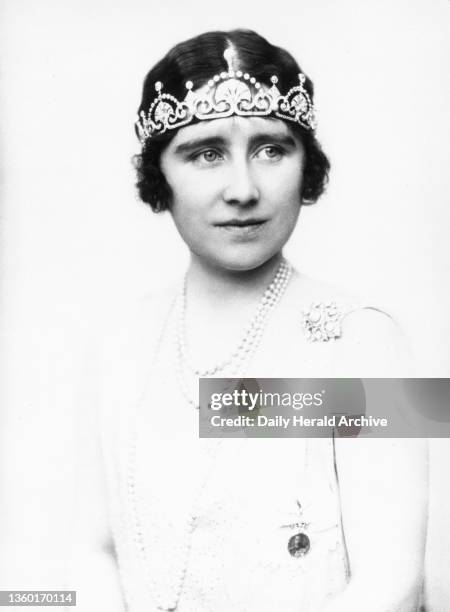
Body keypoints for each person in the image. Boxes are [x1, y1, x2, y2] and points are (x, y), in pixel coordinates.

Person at [78, 29, 428, 612]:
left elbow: (394, 584)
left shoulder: (368, 339)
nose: (243, 189)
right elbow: (92, 550)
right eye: (206, 153)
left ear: (305, 165)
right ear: (159, 174)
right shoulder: (120, 341)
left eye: (271, 149)